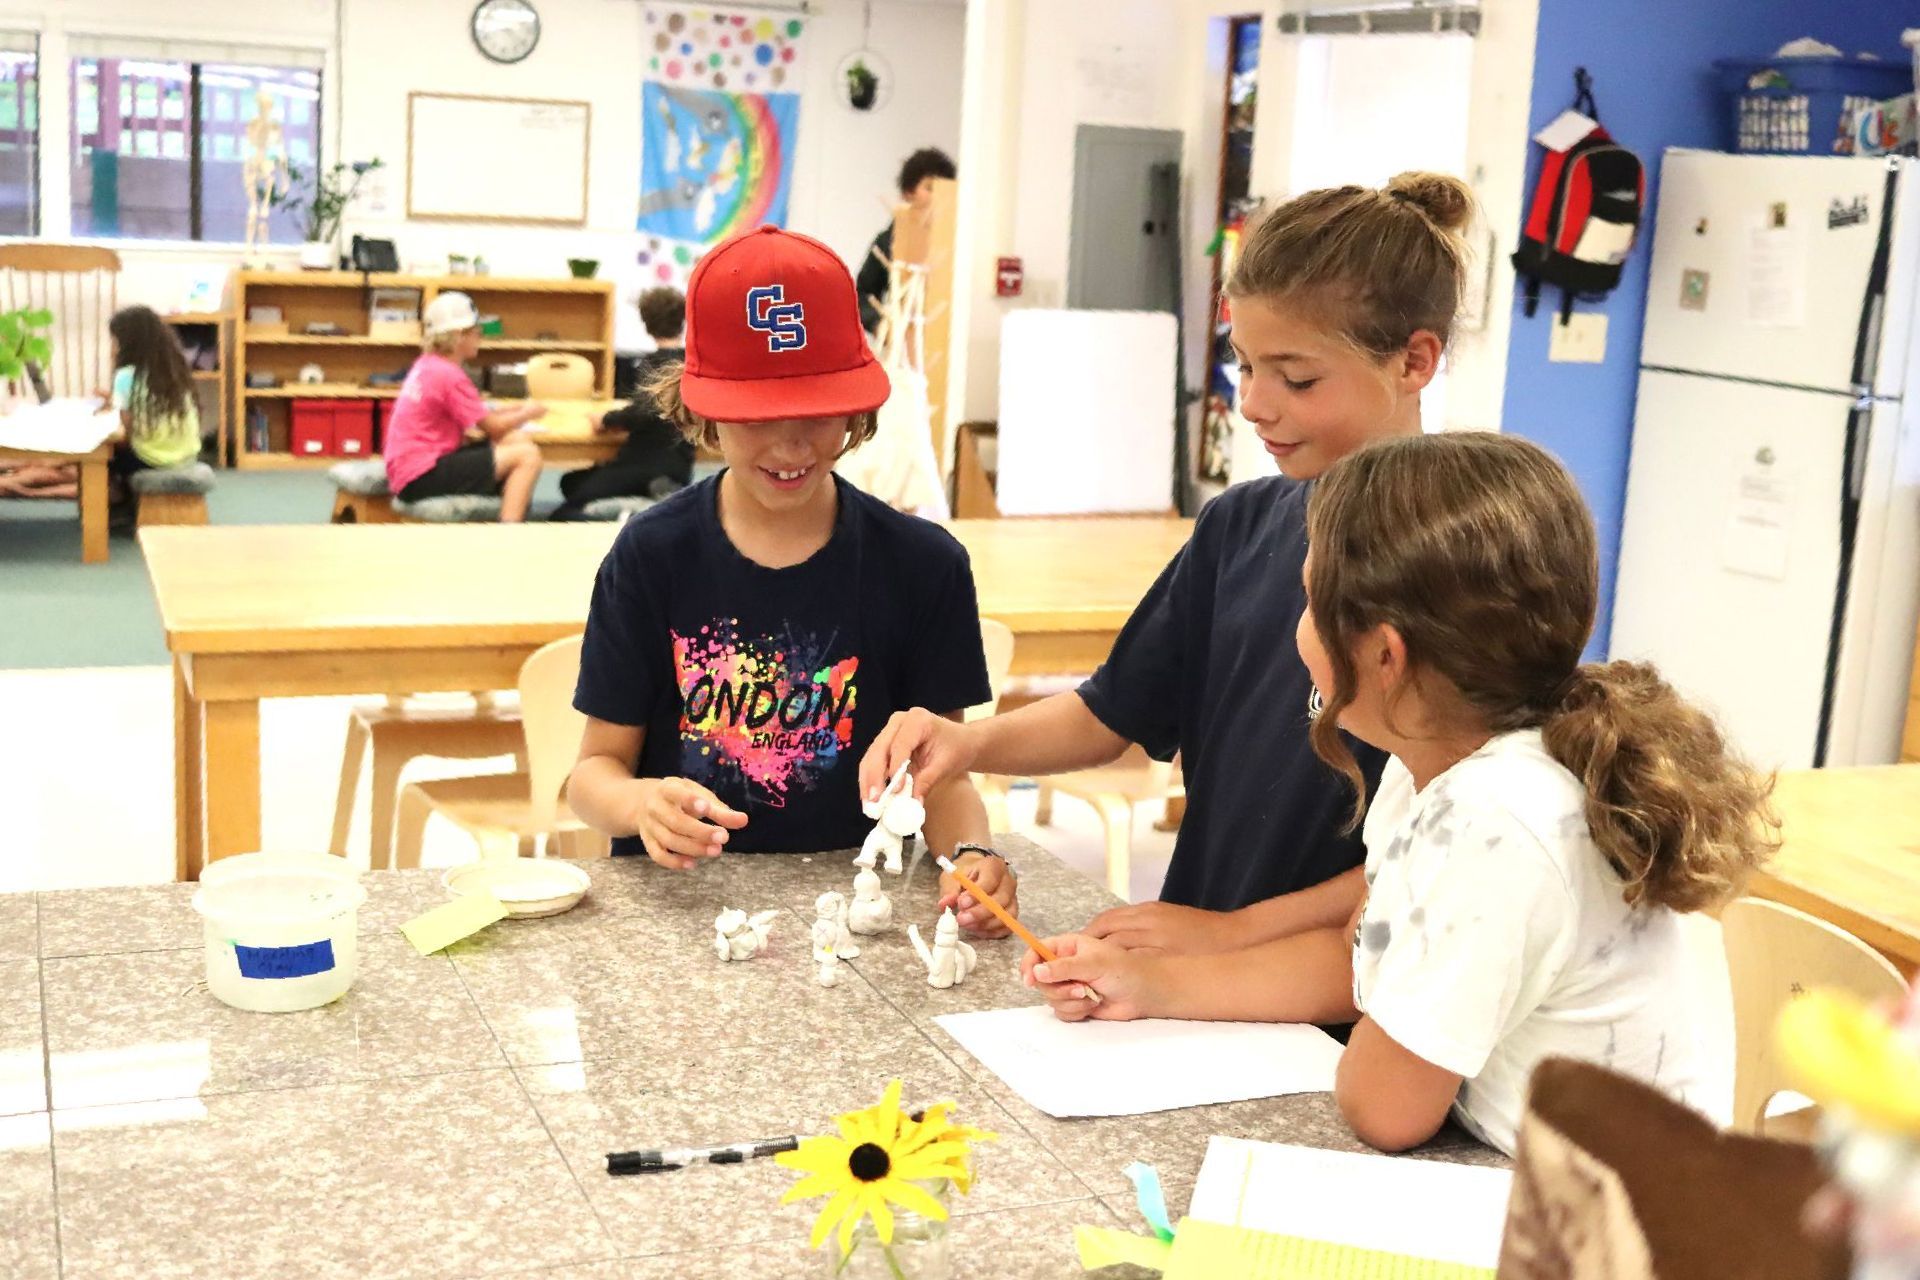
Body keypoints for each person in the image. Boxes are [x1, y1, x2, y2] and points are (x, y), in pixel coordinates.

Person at [1020, 432, 1778, 1156]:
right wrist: (1151, 984)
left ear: (1385, 654)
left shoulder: (1489, 821)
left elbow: (1385, 1107)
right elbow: (1358, 955)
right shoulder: (1445, 763)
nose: (1298, 627)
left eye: (1311, 603)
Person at [861, 173, 1473, 953]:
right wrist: (968, 744)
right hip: (1196, 958)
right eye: (1244, 366)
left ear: (1415, 361)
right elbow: (1111, 712)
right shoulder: (1240, 526)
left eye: (1296, 377)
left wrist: (1234, 936)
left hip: (1340, 991)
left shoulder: (1460, 563)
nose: (1253, 403)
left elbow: (1448, 850)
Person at [565, 226, 1019, 936]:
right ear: (704, 410)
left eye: (817, 411)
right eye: (757, 417)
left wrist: (970, 854)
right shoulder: (650, 557)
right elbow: (593, 773)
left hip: (857, 915)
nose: (790, 444)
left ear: (858, 406)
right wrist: (639, 806)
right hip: (679, 919)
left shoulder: (925, 567)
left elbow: (942, 774)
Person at [383, 291, 546, 522]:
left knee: (516, 440)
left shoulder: (428, 365)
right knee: (527, 456)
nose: (480, 338)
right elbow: (495, 427)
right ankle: (510, 533)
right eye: (477, 333)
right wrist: (529, 413)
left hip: (408, 467)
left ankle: (506, 510)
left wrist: (515, 411)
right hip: (420, 475)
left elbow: (480, 415)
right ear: (459, 336)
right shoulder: (450, 375)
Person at [550, 286, 695, 521]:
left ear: (646, 323)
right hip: (678, 462)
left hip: (645, 461)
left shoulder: (653, 364)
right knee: (571, 482)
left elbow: (644, 411)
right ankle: (650, 496)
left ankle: (621, 519)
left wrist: (606, 420)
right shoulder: (691, 363)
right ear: (682, 319)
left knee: (563, 513)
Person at [98, 305, 201, 526]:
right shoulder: (175, 371)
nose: (113, 348)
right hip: (186, 454)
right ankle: (124, 498)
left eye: (114, 342)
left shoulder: (125, 376)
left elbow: (125, 432)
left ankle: (117, 500)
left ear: (126, 343)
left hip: (153, 460)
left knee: (101, 452)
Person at [856, 147, 956, 334]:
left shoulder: (958, 240)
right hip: (904, 343)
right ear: (909, 192)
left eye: (943, 189)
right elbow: (860, 295)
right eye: (929, 188)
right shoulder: (888, 241)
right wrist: (879, 325)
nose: (937, 196)